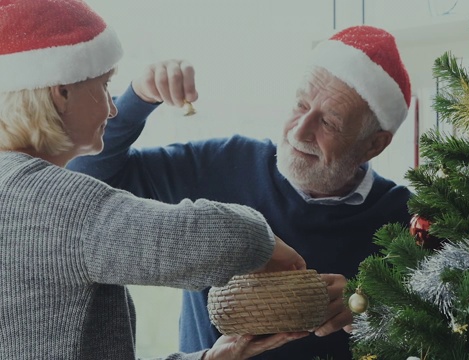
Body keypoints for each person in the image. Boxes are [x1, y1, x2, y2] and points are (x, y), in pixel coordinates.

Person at [68, 25, 413, 359]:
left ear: (374, 145)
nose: (301, 130)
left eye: (329, 123)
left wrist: (372, 307)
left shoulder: (408, 221)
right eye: (300, 105)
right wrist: (137, 98)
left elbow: (447, 328)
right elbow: (82, 179)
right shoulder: (224, 163)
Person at [0, 1, 308, 359]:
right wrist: (266, 240)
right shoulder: (56, 204)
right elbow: (224, 239)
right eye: (104, 85)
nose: (113, 107)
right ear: (62, 92)